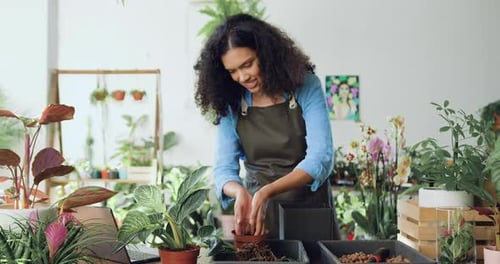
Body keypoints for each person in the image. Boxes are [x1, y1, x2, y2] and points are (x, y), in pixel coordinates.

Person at [194, 13, 339, 240]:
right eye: (232, 71)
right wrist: (239, 191)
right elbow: (224, 169)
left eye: (248, 64)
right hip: (259, 215)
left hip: (309, 210)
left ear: (266, 53)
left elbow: (321, 157)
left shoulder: (305, 85)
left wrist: (268, 191)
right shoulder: (231, 101)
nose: (242, 76)